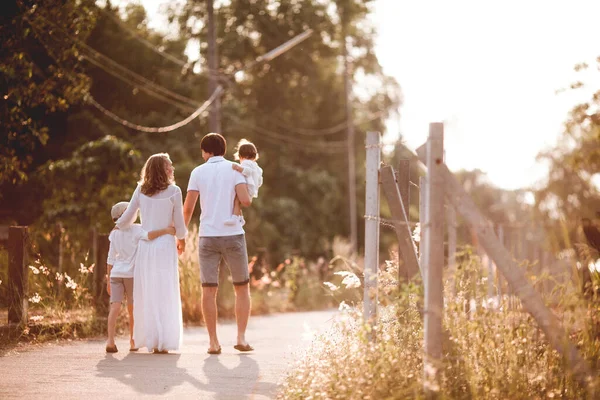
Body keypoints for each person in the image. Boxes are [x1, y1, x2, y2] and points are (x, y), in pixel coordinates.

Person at [180, 133, 254, 355]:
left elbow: (188, 209)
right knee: (241, 287)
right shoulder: (234, 169)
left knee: (208, 290)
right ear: (223, 150)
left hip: (208, 237)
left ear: (205, 152)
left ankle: (213, 342)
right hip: (233, 234)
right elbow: (245, 200)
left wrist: (181, 236)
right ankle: (240, 338)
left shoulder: (197, 172)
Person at [116, 153, 188, 354]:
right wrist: (181, 239)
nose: (172, 169)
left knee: (148, 291)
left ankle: (152, 340)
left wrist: (120, 227)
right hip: (165, 245)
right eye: (169, 166)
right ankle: (165, 341)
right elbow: (180, 226)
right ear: (161, 170)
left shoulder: (140, 190)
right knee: (165, 291)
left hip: (146, 246)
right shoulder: (174, 191)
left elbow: (127, 218)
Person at [105, 201, 176, 353]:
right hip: (131, 275)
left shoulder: (114, 233)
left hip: (116, 274)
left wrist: (107, 279)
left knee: (115, 307)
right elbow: (150, 235)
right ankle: (132, 341)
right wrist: (166, 230)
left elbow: (110, 258)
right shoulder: (137, 230)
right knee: (133, 309)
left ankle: (110, 341)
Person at [225, 139, 263, 226]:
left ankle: (234, 219)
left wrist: (238, 168)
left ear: (240, 156)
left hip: (248, 188)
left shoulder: (246, 163)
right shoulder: (256, 166)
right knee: (238, 202)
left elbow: (248, 171)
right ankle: (240, 218)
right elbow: (260, 180)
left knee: (236, 201)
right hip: (252, 190)